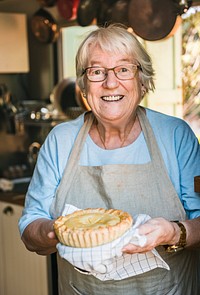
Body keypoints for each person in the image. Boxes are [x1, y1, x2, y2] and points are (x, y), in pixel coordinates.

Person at [19, 24, 200, 294]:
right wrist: (65, 233)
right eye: (96, 72)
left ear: (142, 80)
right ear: (83, 83)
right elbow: (30, 228)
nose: (110, 83)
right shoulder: (60, 140)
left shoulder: (175, 135)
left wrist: (172, 233)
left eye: (124, 69)